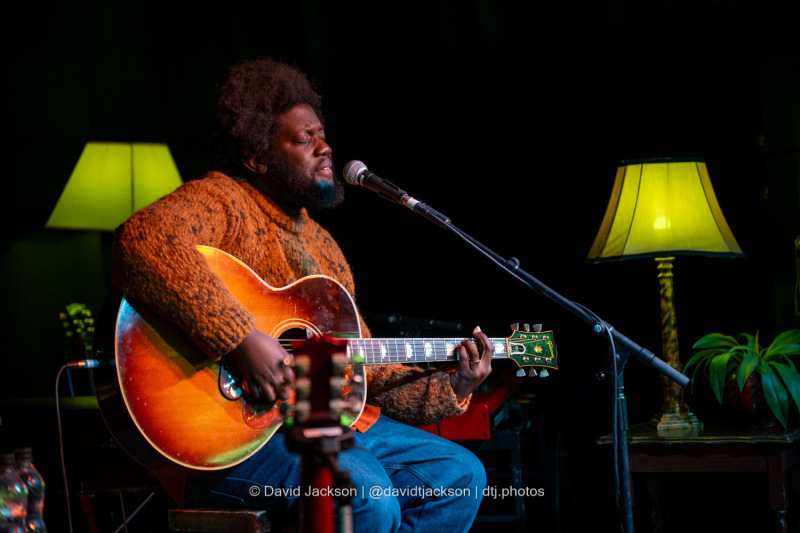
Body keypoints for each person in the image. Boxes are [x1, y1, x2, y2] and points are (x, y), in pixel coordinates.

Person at [112, 57, 493, 532]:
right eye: (304, 138)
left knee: (458, 476)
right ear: (257, 158)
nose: (325, 147)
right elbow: (144, 239)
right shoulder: (224, 200)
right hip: (231, 436)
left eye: (322, 134)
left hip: (321, 425)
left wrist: (456, 386)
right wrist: (241, 338)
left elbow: (366, 370)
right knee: (363, 493)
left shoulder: (324, 247)